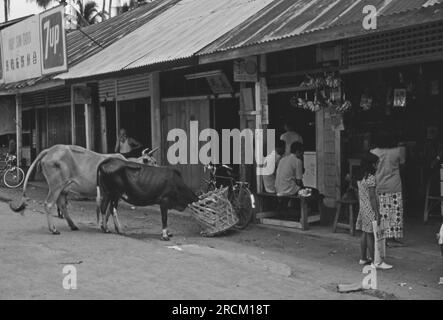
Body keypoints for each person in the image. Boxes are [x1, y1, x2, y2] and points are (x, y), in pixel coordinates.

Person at [355, 153, 393, 270]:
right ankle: (375, 261)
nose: (378, 165)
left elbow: (361, 194)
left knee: (365, 233)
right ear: (372, 164)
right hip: (371, 210)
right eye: (377, 163)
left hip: (363, 208)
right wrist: (377, 212)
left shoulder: (360, 177)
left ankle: (363, 258)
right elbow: (372, 197)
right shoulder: (371, 178)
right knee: (371, 235)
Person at [371, 131, 406, 245]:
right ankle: (391, 239)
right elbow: (403, 162)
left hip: (379, 185)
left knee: (381, 213)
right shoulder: (397, 151)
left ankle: (381, 238)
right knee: (394, 213)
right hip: (394, 185)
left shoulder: (374, 152)